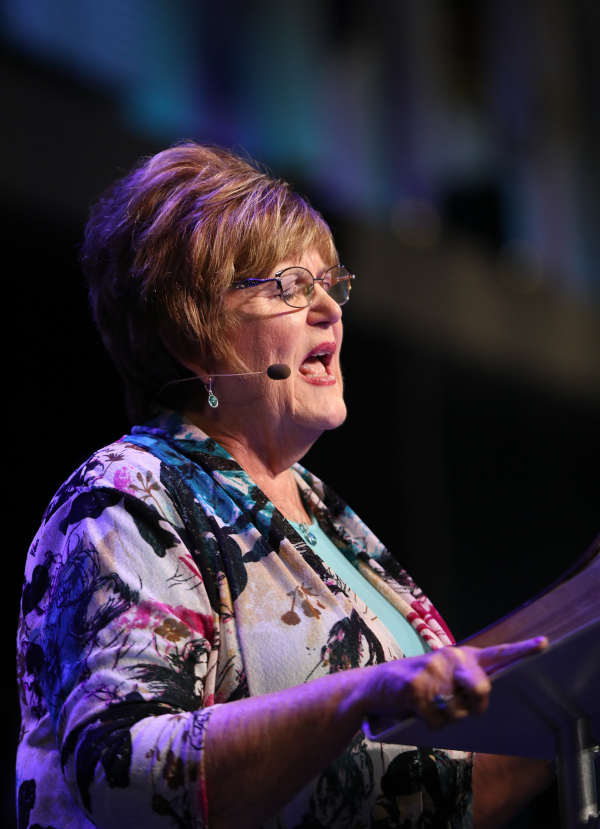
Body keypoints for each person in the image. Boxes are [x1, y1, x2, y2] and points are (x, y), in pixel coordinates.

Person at [17, 143, 553, 829]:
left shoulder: (323, 512)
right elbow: (124, 773)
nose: (329, 308)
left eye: (330, 283)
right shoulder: (127, 497)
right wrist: (357, 695)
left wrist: (576, 685)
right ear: (192, 335)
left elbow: (444, 790)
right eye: (290, 287)